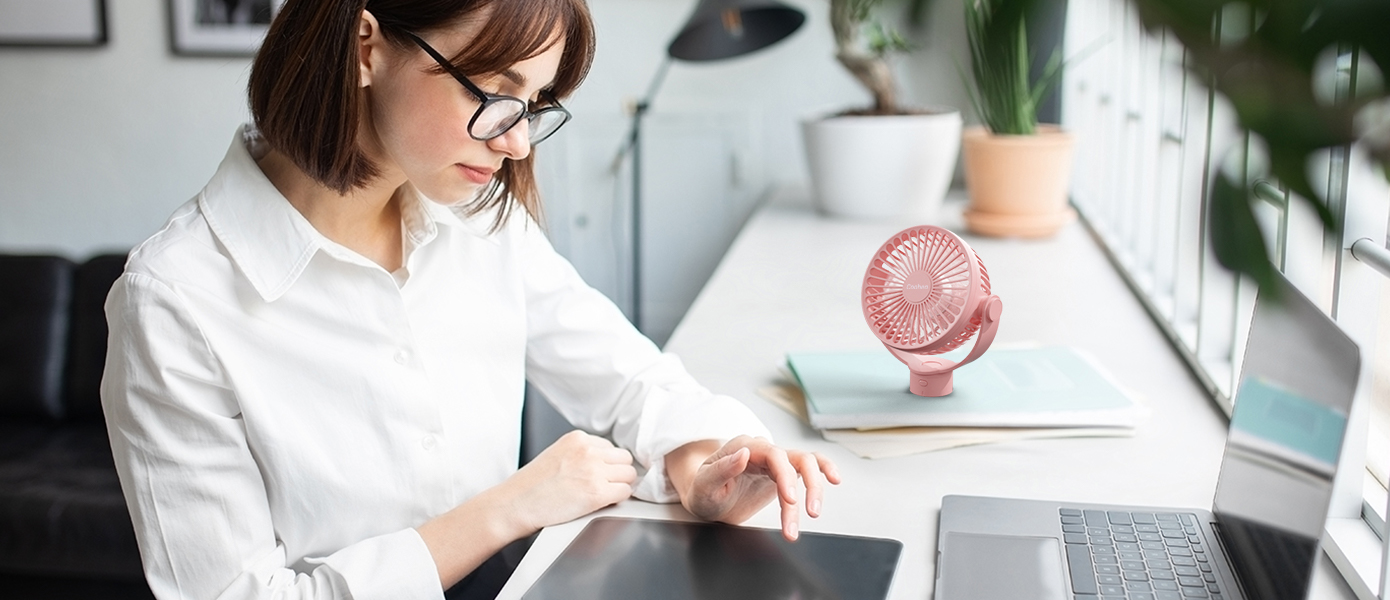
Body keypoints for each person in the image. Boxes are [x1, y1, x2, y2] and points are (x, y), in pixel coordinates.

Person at [99, 1, 839, 598]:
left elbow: (631, 381)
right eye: (496, 92)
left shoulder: (479, 223)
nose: (518, 144)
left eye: (535, 103)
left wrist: (707, 465)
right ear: (366, 45)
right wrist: (504, 511)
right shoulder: (173, 302)